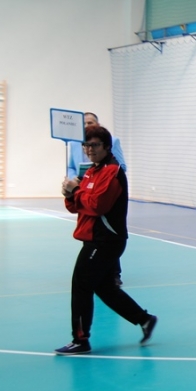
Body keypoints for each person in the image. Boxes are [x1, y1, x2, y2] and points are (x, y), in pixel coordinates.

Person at [55, 126, 157, 355]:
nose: (89, 150)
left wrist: (77, 190)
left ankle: (80, 340)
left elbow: (98, 206)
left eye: (94, 145)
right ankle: (144, 319)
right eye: (86, 145)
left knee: (81, 285)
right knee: (105, 289)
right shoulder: (91, 172)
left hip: (105, 241)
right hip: (93, 238)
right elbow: (78, 207)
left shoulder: (112, 172)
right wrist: (69, 194)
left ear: (107, 147)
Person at [67, 112, 127, 286]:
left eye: (91, 122)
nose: (87, 126)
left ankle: (114, 273)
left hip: (105, 226)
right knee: (103, 288)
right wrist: (72, 185)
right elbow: (71, 167)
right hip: (84, 192)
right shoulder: (74, 145)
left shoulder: (111, 149)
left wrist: (92, 179)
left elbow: (120, 166)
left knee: (84, 283)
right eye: (84, 123)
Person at [67, 112, 126, 178]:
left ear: (98, 125)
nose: (86, 126)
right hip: (81, 182)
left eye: (90, 123)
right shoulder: (74, 143)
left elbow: (122, 167)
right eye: (83, 124)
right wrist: (74, 178)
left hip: (103, 180)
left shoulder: (112, 141)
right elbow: (71, 167)